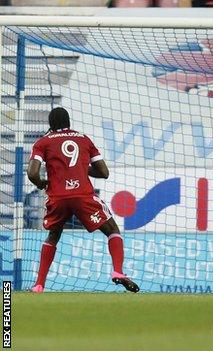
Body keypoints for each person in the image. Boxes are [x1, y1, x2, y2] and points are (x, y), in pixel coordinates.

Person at [27, 107, 139, 293]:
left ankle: (39, 285)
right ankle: (118, 272)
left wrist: (40, 183)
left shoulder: (42, 142)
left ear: (51, 124)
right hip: (83, 196)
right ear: (68, 122)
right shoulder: (84, 139)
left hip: (58, 197)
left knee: (53, 235)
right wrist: (80, 168)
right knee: (112, 230)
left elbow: (32, 172)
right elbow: (104, 172)